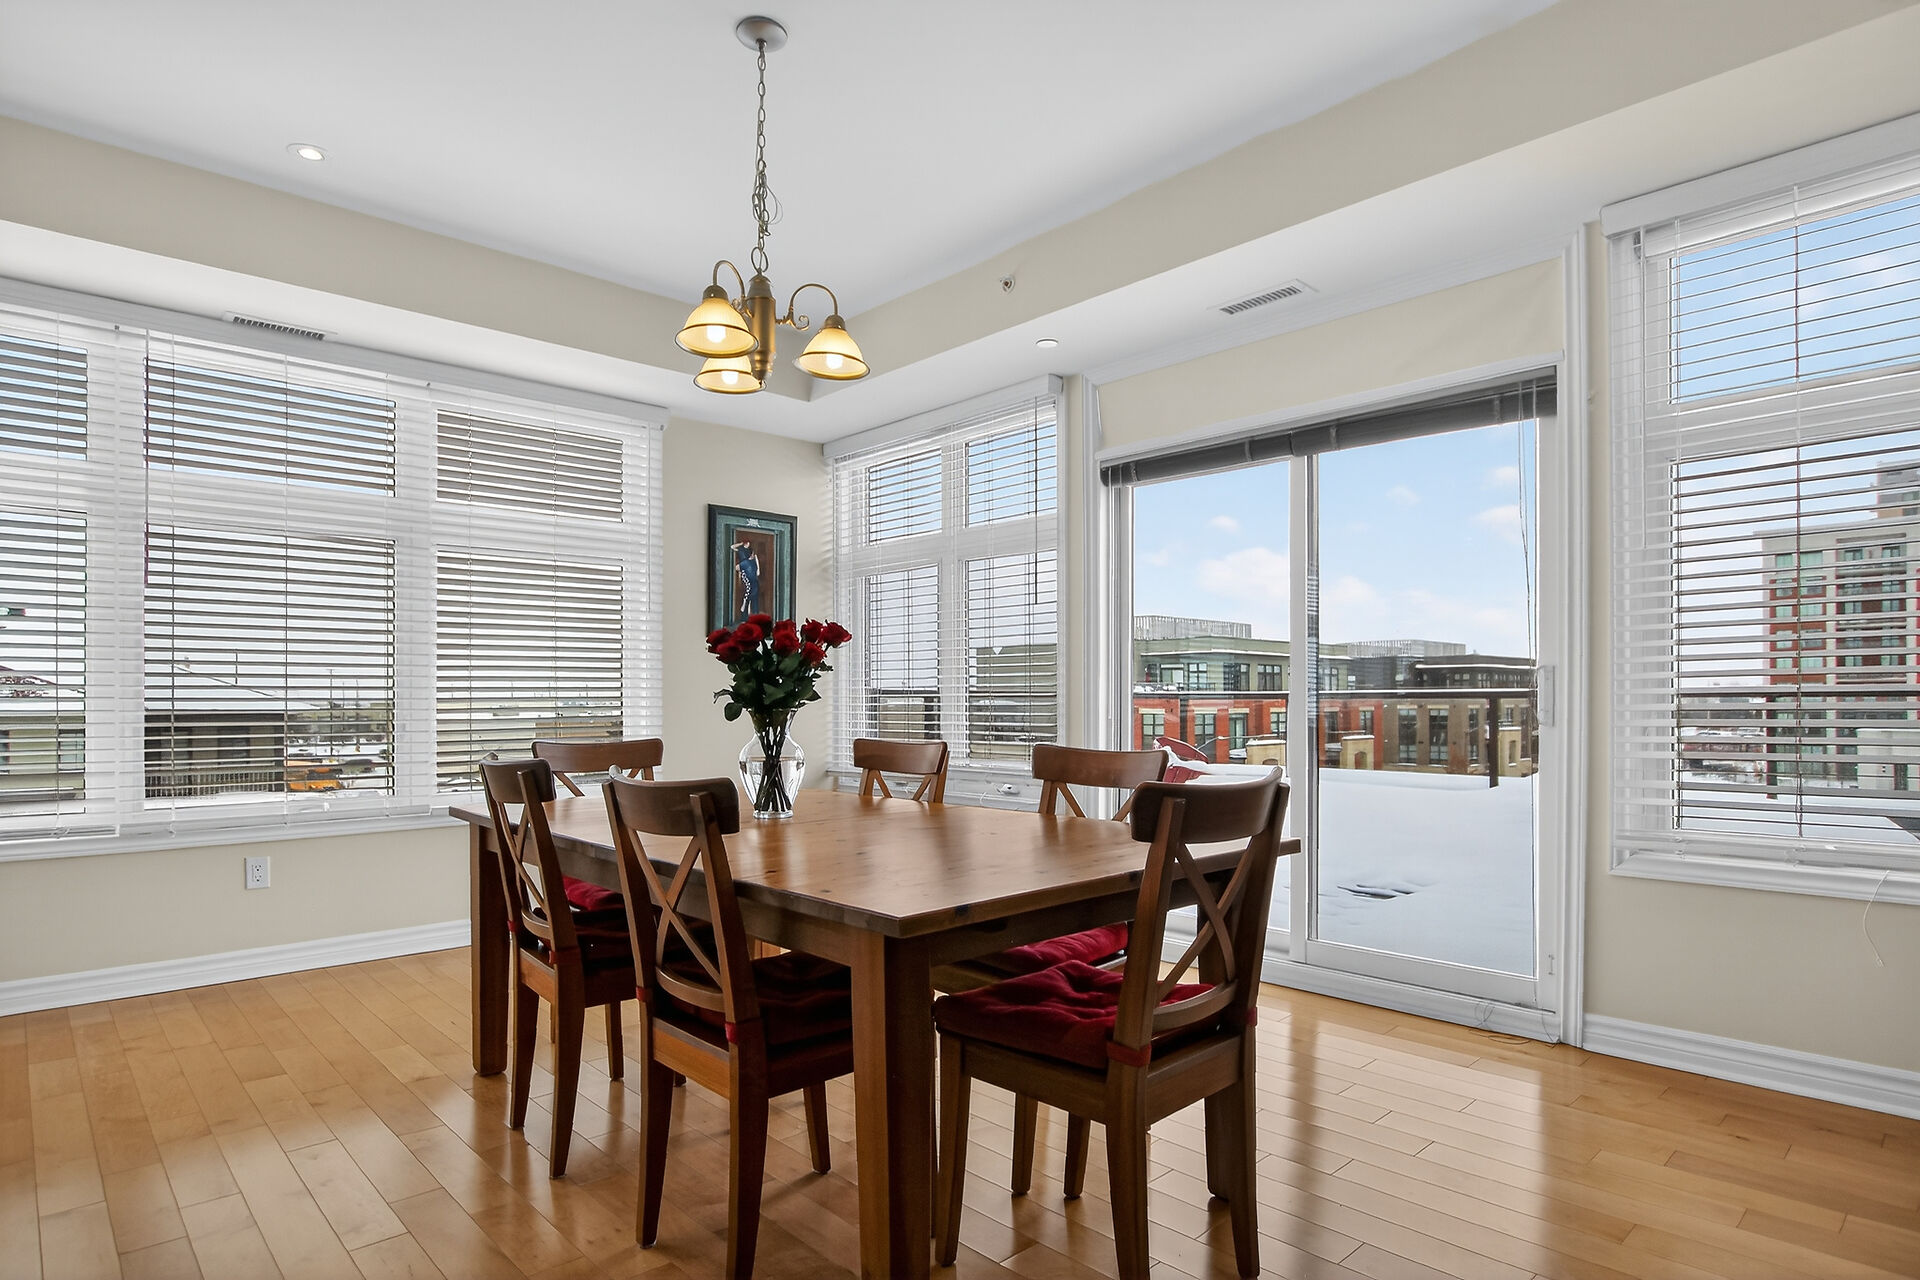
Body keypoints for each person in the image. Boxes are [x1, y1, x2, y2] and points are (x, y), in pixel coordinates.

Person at [733, 538, 761, 618]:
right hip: (750, 583)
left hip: (753, 583)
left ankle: (750, 615)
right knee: (748, 599)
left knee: (751, 599)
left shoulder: (750, 562)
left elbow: (757, 572)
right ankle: (746, 615)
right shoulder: (746, 562)